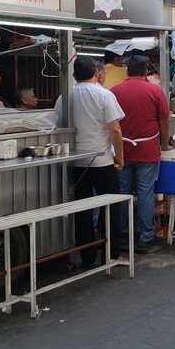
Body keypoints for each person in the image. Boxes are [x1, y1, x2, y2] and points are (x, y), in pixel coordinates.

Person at [61, 56, 125, 264]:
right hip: (102, 160)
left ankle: (87, 256)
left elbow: (57, 126)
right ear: (96, 73)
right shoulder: (104, 95)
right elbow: (115, 129)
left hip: (76, 162)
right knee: (110, 207)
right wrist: (120, 156)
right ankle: (111, 253)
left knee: (83, 209)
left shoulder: (64, 96)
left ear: (74, 75)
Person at [111, 55, 171, 251]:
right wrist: (164, 144)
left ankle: (122, 235)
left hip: (122, 150)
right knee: (146, 192)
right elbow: (164, 119)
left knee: (123, 193)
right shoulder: (155, 90)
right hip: (147, 150)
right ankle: (146, 236)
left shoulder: (114, 91)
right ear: (146, 70)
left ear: (127, 70)